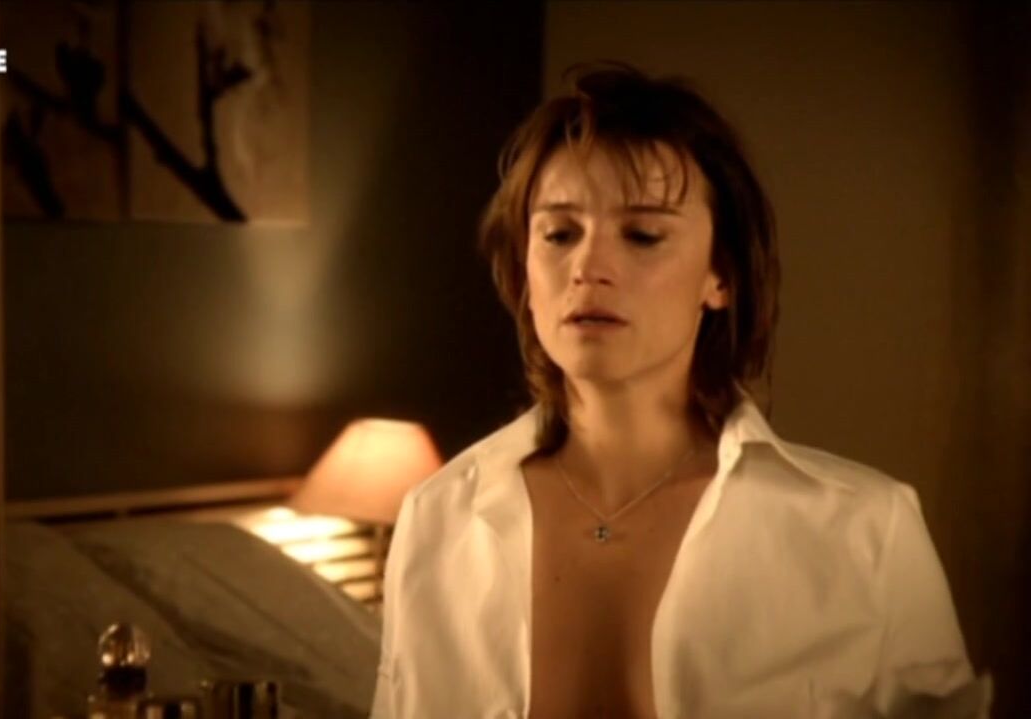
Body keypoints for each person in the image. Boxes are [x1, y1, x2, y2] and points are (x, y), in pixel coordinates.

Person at [370, 63, 988, 718]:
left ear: (720, 276)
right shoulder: (438, 519)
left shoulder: (865, 530)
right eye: (559, 234)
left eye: (643, 235)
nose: (587, 267)